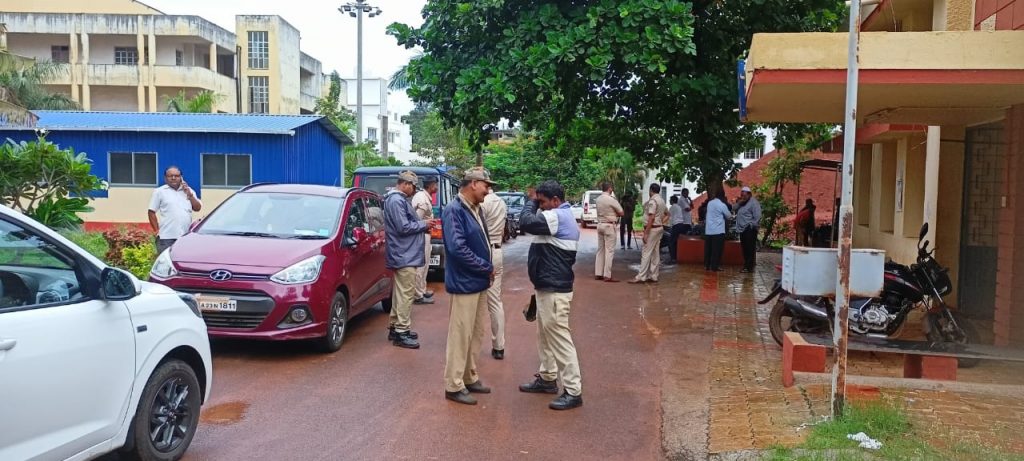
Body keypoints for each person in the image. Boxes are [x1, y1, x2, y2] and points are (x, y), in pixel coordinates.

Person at [518, 180, 584, 410]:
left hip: (555, 290)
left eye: (543, 202)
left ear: (555, 200)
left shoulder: (557, 215)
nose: (541, 206)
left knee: (559, 339)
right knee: (545, 336)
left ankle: (573, 391)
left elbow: (525, 221)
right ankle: (547, 378)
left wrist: (532, 200)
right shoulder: (559, 216)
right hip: (548, 288)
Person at [442, 167, 496, 405]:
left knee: (475, 334)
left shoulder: (476, 209)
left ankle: (469, 376)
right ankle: (453, 385)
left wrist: (486, 270)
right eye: (486, 185)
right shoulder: (454, 210)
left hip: (478, 281)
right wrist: (485, 266)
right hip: (465, 283)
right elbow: (457, 248)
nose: (488, 190)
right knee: (460, 335)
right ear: (473, 183)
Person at [383, 171, 430, 349]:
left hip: (402, 253)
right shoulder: (396, 200)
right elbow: (403, 227)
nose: (413, 190)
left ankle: (396, 327)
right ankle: (401, 332)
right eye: (413, 186)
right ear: (406, 184)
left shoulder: (396, 200)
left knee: (400, 293)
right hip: (404, 254)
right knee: (405, 294)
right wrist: (424, 224)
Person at [480, 186, 508, 360]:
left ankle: (468, 345)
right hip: (497, 250)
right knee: (495, 301)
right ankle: (499, 346)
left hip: (483, 250)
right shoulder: (501, 202)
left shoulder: (483, 203)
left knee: (474, 300)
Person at [148, 166, 202, 255]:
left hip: (185, 237)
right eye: (170, 176)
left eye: (176, 176)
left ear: (181, 177)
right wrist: (156, 230)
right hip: (166, 237)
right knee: (166, 264)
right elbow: (151, 212)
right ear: (165, 178)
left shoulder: (189, 191)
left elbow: (197, 208)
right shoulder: (159, 192)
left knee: (183, 263)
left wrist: (190, 195)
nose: (173, 178)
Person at [629, 183, 668, 284]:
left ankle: (641, 276)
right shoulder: (662, 201)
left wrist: (646, 233)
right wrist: (660, 223)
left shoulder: (653, 201)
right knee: (655, 253)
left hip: (652, 229)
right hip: (658, 228)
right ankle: (654, 276)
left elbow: (651, 217)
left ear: (651, 190)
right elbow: (668, 214)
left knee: (646, 252)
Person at [411, 177, 438, 305]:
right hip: (421, 234)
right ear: (431, 185)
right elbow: (417, 220)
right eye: (436, 185)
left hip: (425, 234)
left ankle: (422, 290)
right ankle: (417, 295)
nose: (437, 188)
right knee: (421, 265)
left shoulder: (424, 196)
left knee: (425, 264)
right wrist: (427, 224)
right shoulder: (422, 198)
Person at [594, 181, 624, 282]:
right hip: (609, 226)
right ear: (610, 188)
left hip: (600, 225)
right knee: (609, 251)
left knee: (600, 250)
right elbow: (621, 212)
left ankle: (598, 273)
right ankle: (607, 275)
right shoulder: (611, 200)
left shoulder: (598, 199)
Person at [704, 188, 732, 272]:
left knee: (708, 249)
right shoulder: (722, 205)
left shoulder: (710, 203)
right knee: (717, 250)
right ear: (723, 196)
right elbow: (729, 216)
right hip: (718, 231)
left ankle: (707, 265)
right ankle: (714, 266)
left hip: (709, 230)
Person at [734, 186, 762, 273]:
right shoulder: (742, 202)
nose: (743, 197)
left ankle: (748, 267)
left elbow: (758, 216)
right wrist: (740, 202)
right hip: (742, 229)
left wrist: (751, 225)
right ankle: (747, 265)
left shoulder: (754, 203)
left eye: (744, 195)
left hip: (749, 229)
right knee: (744, 248)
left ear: (749, 194)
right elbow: (733, 208)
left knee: (749, 248)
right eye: (742, 195)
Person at [666, 191, 693, 264]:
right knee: (676, 242)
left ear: (672, 201)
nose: (669, 201)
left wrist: (666, 224)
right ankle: (676, 257)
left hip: (676, 226)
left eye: (670, 200)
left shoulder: (672, 207)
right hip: (681, 225)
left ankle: (673, 259)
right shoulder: (678, 207)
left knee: (671, 242)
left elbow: (669, 217)